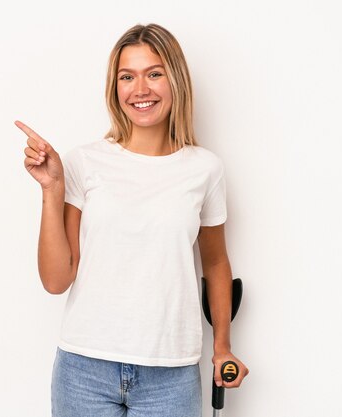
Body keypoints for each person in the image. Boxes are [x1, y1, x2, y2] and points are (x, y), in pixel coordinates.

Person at [15, 23, 248, 417]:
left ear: (175, 81)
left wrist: (222, 344)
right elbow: (56, 280)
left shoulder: (205, 169)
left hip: (171, 375)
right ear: (115, 87)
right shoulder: (83, 163)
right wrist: (51, 190)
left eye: (154, 73)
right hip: (84, 369)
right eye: (128, 76)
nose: (140, 89)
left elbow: (215, 262)